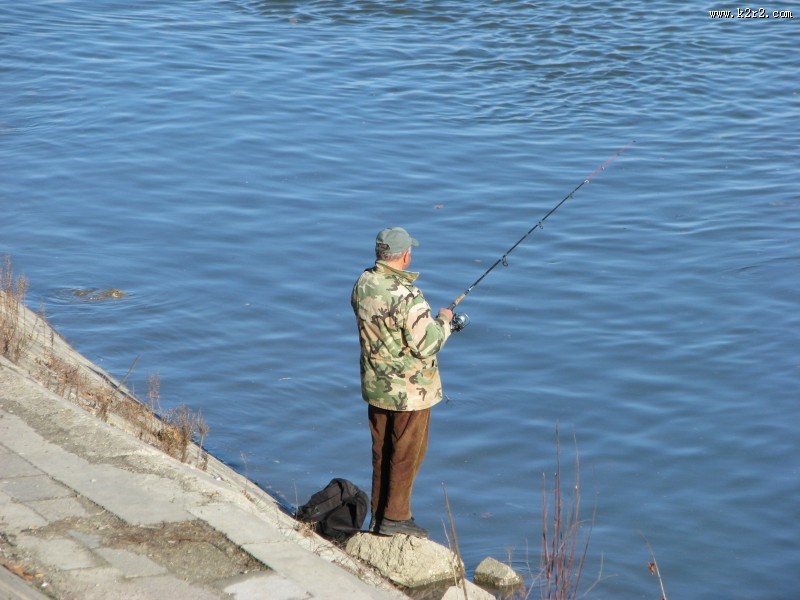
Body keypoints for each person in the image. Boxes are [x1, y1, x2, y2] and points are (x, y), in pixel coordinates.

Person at [351, 226, 453, 538]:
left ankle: (379, 517)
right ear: (405, 256)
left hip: (376, 386)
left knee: (382, 450)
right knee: (407, 453)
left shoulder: (364, 283)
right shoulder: (408, 297)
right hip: (410, 392)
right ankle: (396, 518)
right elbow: (427, 344)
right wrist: (445, 322)